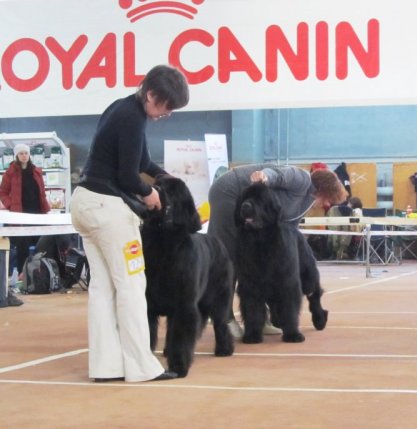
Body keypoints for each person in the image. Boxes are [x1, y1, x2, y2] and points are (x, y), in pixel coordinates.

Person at [70, 64, 189, 383]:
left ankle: (106, 367)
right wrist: (150, 193)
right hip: (108, 210)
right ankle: (141, 367)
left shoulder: (122, 109)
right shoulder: (132, 119)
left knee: (103, 288)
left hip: (84, 203)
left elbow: (142, 163)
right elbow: (128, 176)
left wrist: (166, 176)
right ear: (151, 94)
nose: (167, 113)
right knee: (133, 285)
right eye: (167, 106)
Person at [207, 164, 349, 339]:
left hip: (251, 202)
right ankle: (224, 318)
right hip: (229, 192)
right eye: (329, 199)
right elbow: (279, 175)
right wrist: (264, 177)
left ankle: (260, 319)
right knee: (232, 256)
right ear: (323, 190)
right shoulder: (302, 178)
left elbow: (287, 229)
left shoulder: (305, 202)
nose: (328, 204)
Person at [0, 144, 51, 278]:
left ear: (29, 155)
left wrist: (45, 206)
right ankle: (23, 274)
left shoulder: (36, 171)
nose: (24, 156)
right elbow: (3, 193)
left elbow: (42, 192)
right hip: (20, 215)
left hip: (38, 213)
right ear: (17, 155)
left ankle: (40, 272)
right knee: (23, 244)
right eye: (21, 153)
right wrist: (11, 205)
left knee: (40, 243)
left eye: (26, 153)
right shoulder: (10, 173)